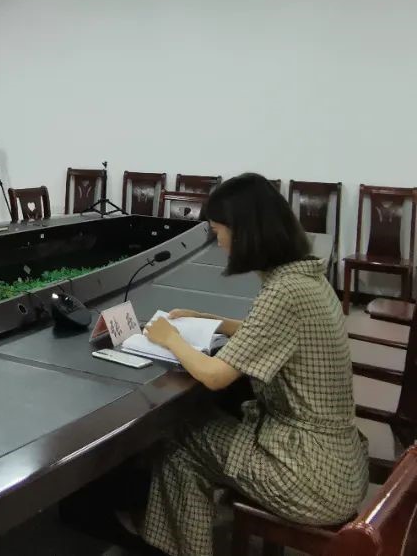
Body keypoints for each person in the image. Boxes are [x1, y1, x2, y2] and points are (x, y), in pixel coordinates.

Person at [138, 173, 367, 556]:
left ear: (245, 233)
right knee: (214, 417)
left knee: (178, 436)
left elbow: (215, 376)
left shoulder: (284, 292)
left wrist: (170, 338)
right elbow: (267, 330)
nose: (218, 242)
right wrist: (207, 318)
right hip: (340, 463)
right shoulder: (306, 275)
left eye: (218, 231)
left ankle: (178, 546)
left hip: (310, 475)